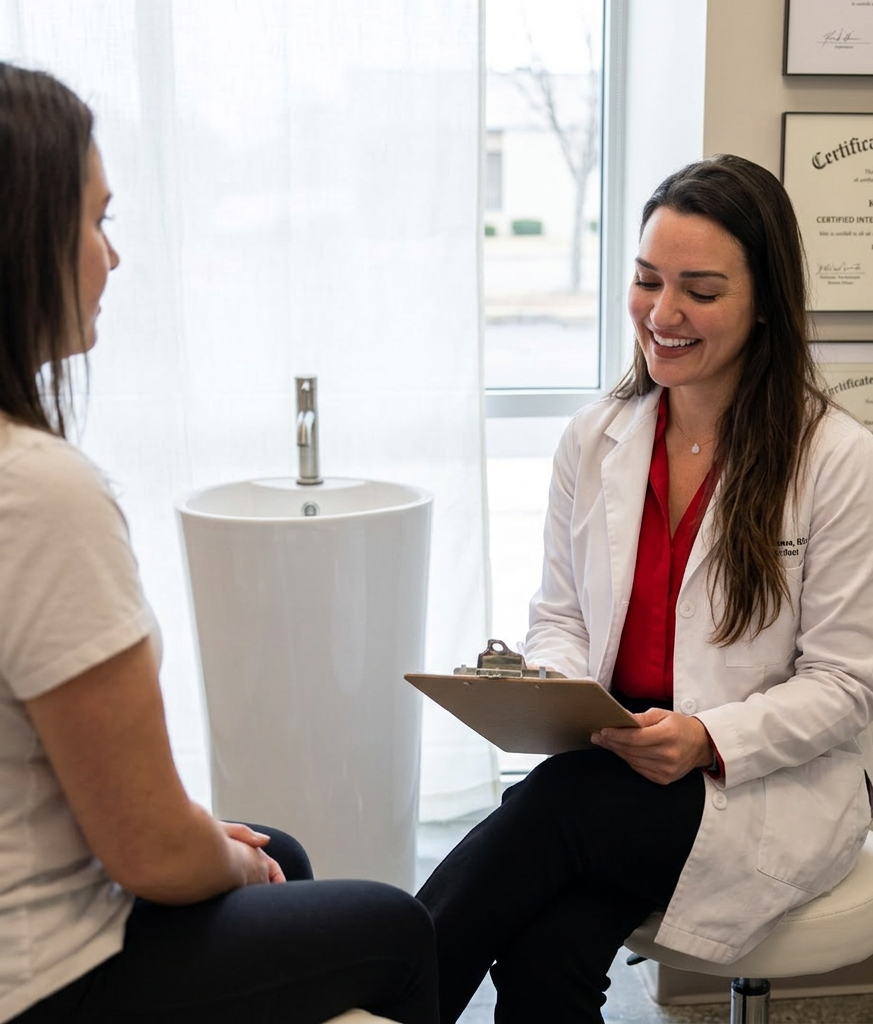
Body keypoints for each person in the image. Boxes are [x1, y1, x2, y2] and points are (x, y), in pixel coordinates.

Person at [0, 62, 438, 1024]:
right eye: (97, 221)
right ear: (24, 238)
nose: (112, 258)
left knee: (278, 846)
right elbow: (153, 852)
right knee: (396, 928)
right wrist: (218, 853)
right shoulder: (39, 493)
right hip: (44, 980)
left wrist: (222, 844)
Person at [417, 153, 873, 1024]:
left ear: (765, 302)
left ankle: (388, 996)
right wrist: (556, 687)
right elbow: (558, 615)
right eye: (645, 280)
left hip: (760, 784)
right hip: (616, 763)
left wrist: (705, 738)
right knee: (547, 956)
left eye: (699, 290)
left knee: (549, 814)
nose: (662, 315)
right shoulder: (594, 441)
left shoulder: (835, 461)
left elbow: (845, 687)